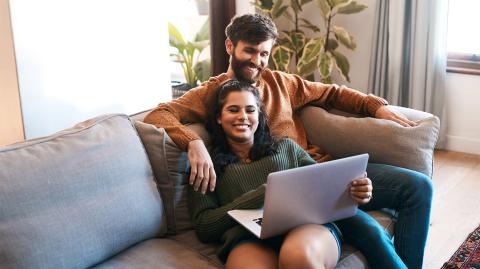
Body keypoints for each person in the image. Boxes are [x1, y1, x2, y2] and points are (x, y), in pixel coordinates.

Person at [144, 13, 432, 269]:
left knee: (416, 188)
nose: (257, 61)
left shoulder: (282, 82)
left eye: (264, 54)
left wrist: (375, 106)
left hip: (316, 178)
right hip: (270, 206)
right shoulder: (211, 94)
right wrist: (192, 142)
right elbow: (160, 113)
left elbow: (331, 93)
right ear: (230, 47)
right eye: (250, 51)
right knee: (366, 229)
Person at [189, 79, 377, 269]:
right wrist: (263, 194)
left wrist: (357, 192)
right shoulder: (205, 164)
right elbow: (205, 227)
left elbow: (326, 188)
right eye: (233, 110)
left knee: (298, 257)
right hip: (247, 238)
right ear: (219, 117)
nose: (243, 116)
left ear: (259, 115)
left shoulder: (286, 147)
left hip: (304, 227)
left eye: (250, 110)